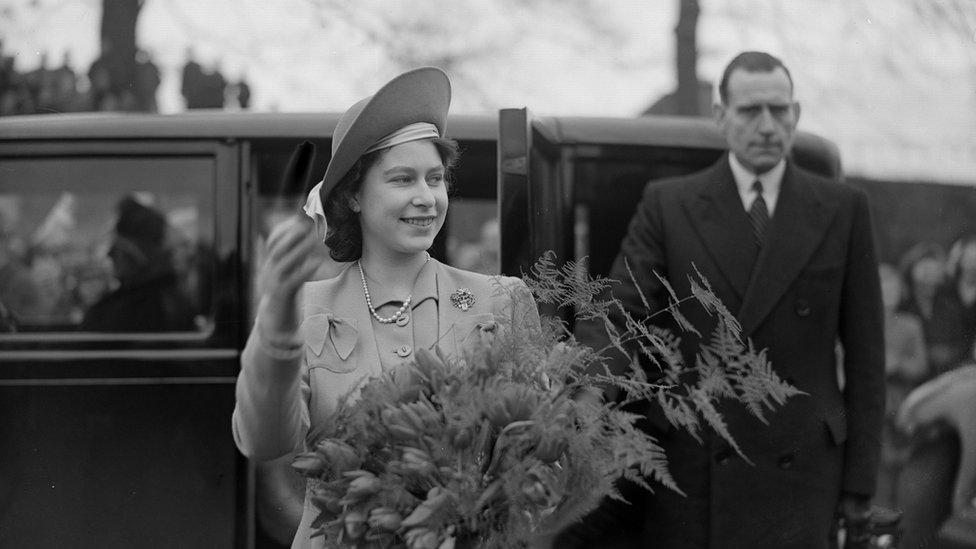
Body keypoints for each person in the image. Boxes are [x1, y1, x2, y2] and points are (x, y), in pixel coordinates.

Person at [572, 51, 885, 548]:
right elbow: (621, 311)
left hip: (801, 474)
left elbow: (868, 362)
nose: (766, 125)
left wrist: (859, 485)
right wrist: (587, 396)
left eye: (779, 110)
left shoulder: (843, 210)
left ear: (796, 114)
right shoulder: (669, 203)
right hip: (696, 466)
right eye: (749, 111)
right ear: (721, 117)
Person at [231, 67, 540, 549]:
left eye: (435, 179)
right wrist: (275, 321)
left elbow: (545, 460)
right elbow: (265, 441)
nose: (426, 197)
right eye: (402, 179)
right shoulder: (305, 310)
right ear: (354, 194)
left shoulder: (502, 301)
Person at [81, 196, 196, 332]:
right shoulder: (170, 299)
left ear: (137, 255)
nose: (109, 254)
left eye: (118, 249)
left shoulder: (133, 311)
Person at [876, 263, 928, 508]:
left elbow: (921, 366)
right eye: (884, 285)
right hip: (862, 406)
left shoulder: (910, 324)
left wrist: (897, 364)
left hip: (896, 407)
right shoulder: (857, 320)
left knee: (892, 473)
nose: (889, 291)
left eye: (894, 286)